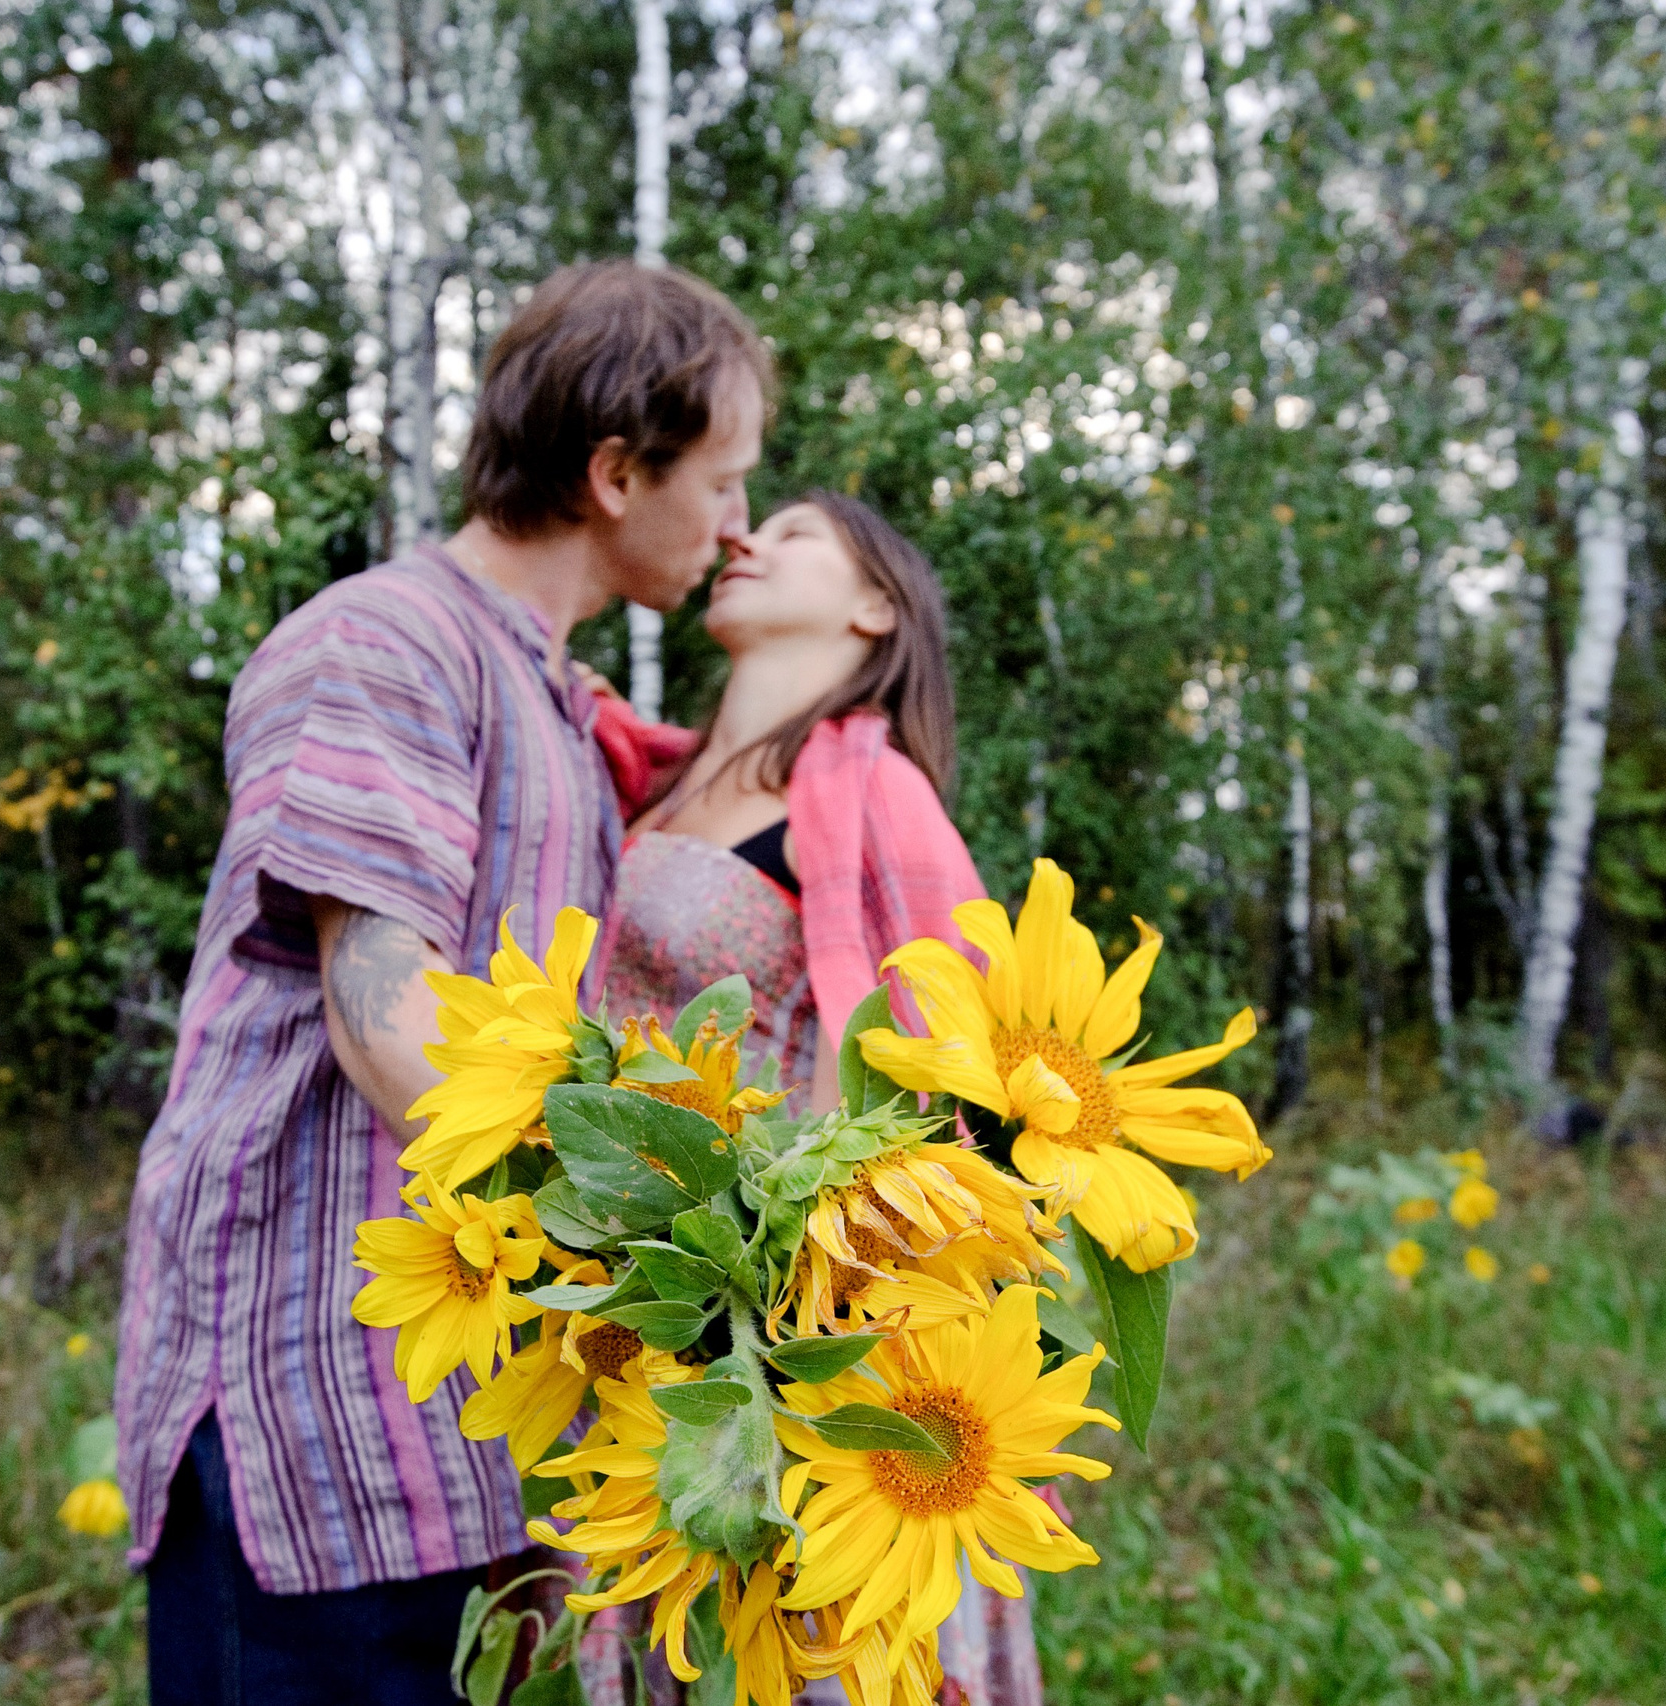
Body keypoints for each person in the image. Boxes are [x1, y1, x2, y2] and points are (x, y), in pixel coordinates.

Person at [112, 260, 771, 1706]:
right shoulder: (384, 642)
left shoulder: (551, 695)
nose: (736, 525)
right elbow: (385, 1009)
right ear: (615, 471)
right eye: (722, 483)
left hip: (472, 1426)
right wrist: (659, 1225)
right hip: (319, 1412)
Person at [587, 493, 1048, 1706]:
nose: (746, 540)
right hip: (653, 1316)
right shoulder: (650, 777)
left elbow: (977, 1062)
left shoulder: (869, 788)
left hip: (812, 1329)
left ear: (873, 605)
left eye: (793, 534)